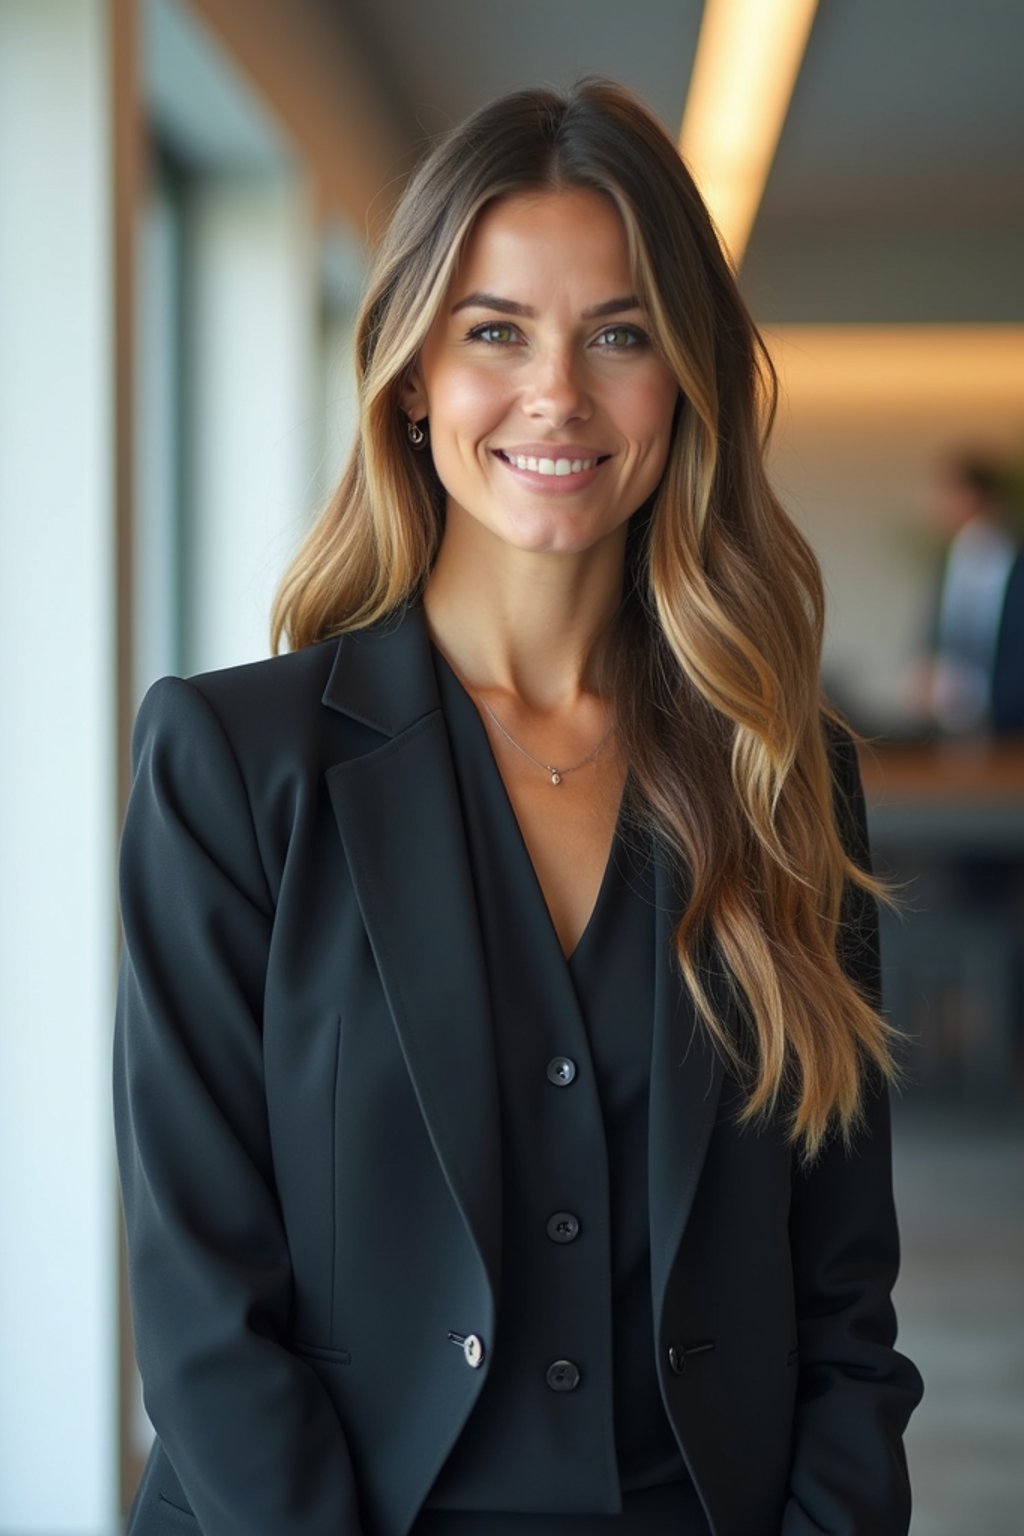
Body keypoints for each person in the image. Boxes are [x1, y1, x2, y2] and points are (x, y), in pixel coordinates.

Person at [113, 79, 924, 1536]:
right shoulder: (232, 766)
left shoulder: (782, 773)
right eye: (496, 331)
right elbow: (198, 1306)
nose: (558, 393)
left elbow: (843, 1301)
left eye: (619, 334)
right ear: (414, 374)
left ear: (684, 382)